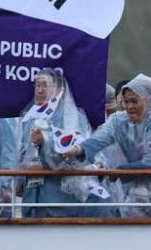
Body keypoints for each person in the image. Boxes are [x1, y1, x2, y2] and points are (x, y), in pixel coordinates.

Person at [65, 73, 151, 217]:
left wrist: (122, 170)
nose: (129, 107)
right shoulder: (119, 120)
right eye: (126, 102)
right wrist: (79, 149)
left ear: (148, 100)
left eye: (134, 101)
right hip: (128, 191)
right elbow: (100, 138)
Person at [18, 69, 110, 218]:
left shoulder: (72, 118)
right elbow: (21, 153)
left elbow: (72, 158)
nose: (40, 90)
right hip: (32, 196)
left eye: (45, 85)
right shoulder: (29, 117)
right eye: (37, 85)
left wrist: (44, 143)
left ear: (59, 90)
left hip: (58, 199)